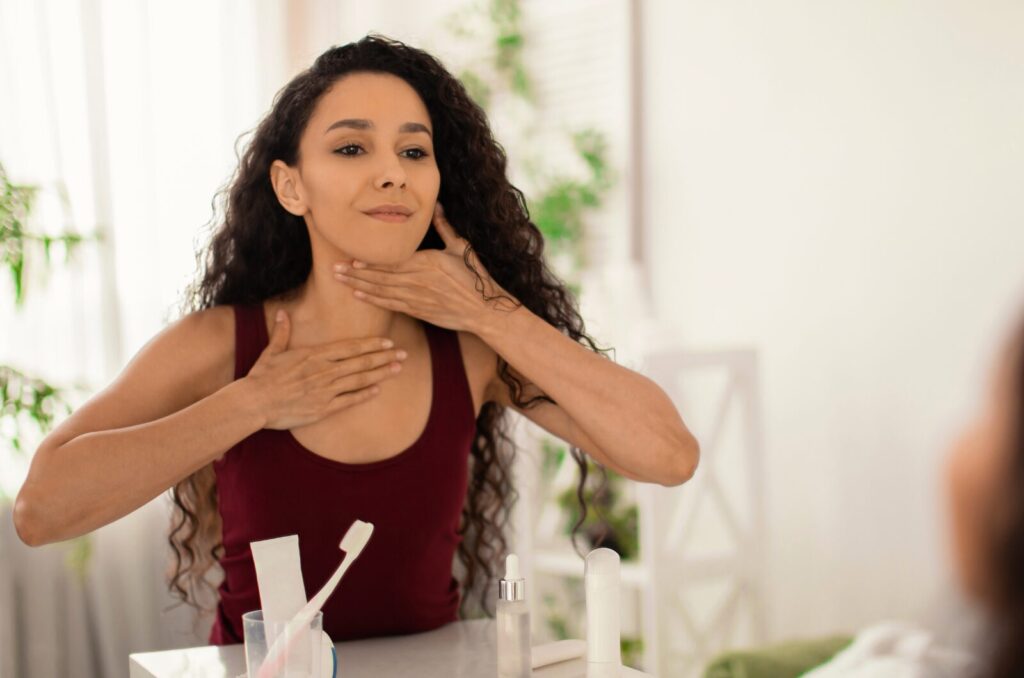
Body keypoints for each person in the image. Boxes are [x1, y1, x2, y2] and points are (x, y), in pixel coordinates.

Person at [12, 35, 699, 644]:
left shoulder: (471, 350)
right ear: (290, 186)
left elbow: (668, 455)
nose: (392, 171)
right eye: (350, 147)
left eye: (413, 150)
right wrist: (253, 404)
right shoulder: (219, 346)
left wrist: (492, 313)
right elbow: (40, 511)